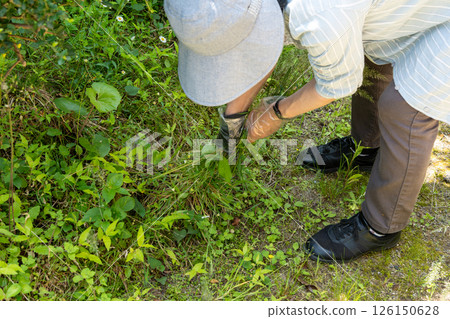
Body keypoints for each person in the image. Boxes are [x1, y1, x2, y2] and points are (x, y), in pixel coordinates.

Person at [164, 0, 450, 263]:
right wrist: (233, 119)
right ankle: (366, 150)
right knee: (372, 51)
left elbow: (338, 83)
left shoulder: (317, 13)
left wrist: (276, 112)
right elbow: (256, 49)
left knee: (405, 108)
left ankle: (380, 227)